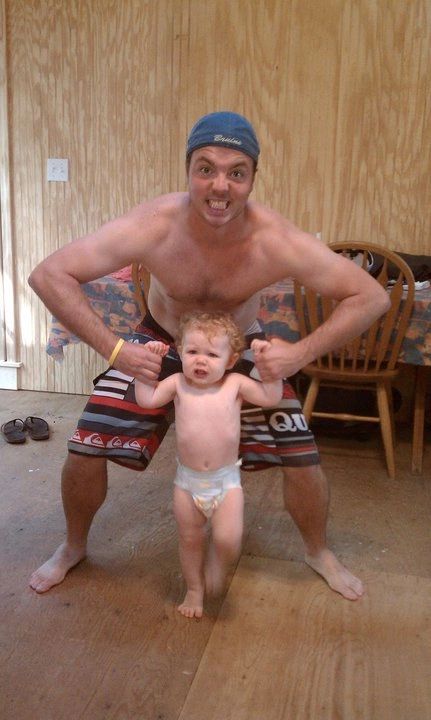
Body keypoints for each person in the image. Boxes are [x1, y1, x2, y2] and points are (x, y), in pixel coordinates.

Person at [28, 110, 390, 599]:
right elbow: (49, 274)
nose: (220, 186)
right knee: (86, 444)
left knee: (300, 451)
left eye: (236, 172)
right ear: (188, 171)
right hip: (160, 341)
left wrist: (299, 354)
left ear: (253, 179)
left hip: (239, 346)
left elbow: (371, 297)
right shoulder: (155, 224)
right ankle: (73, 545)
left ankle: (317, 550)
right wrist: (116, 350)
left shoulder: (274, 239)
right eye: (206, 169)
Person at [134, 310, 283, 617]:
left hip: (225, 483)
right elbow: (147, 400)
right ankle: (194, 590)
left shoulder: (235, 384)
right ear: (179, 351)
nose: (201, 361)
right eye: (192, 352)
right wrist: (146, 369)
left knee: (228, 538)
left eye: (212, 355)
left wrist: (270, 370)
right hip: (187, 483)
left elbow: (270, 398)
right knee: (189, 539)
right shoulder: (177, 383)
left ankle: (218, 562)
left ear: (230, 360)